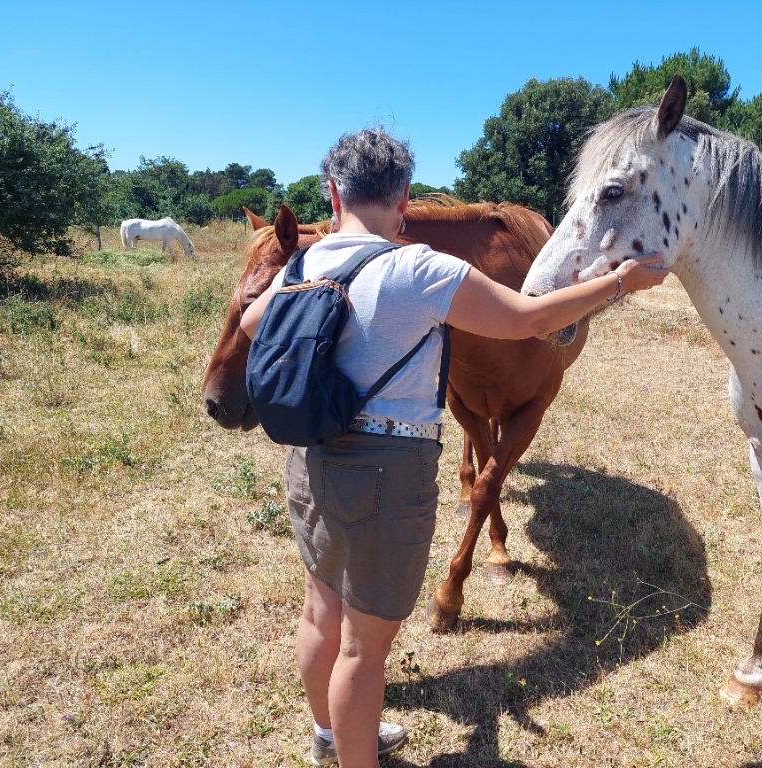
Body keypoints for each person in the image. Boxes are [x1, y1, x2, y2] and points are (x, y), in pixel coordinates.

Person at [240, 127, 669, 768]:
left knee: (319, 612)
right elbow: (530, 319)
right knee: (362, 647)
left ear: (333, 193)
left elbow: (251, 323)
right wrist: (620, 284)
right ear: (405, 197)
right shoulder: (418, 268)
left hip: (310, 462)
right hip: (385, 475)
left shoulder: (306, 263)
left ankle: (329, 734)